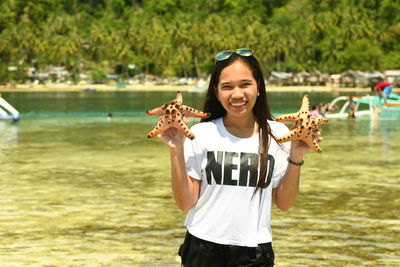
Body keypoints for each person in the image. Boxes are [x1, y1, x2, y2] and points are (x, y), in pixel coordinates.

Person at [157, 48, 322, 267]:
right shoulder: (202, 133)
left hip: (255, 250)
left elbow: (284, 203)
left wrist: (297, 154)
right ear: (216, 92)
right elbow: (185, 202)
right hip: (202, 248)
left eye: (245, 84)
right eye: (227, 87)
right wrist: (176, 148)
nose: (237, 94)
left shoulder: (279, 135)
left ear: (259, 87)